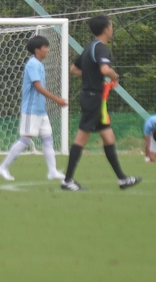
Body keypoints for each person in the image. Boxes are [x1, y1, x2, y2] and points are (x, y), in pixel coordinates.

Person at [61, 15, 141, 192]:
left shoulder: (90, 46)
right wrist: (115, 76)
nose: (112, 29)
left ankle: (122, 179)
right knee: (81, 139)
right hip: (93, 99)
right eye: (111, 26)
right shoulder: (102, 48)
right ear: (106, 29)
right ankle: (67, 181)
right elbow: (105, 69)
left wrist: (93, 76)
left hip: (93, 98)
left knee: (108, 137)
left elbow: (74, 69)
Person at [0, 36, 68, 181]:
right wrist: (57, 99)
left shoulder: (39, 64)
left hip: (41, 111)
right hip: (31, 110)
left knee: (47, 139)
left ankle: (52, 171)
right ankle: (3, 167)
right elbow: (38, 86)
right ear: (37, 50)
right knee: (25, 140)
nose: (48, 50)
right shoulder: (33, 64)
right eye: (45, 47)